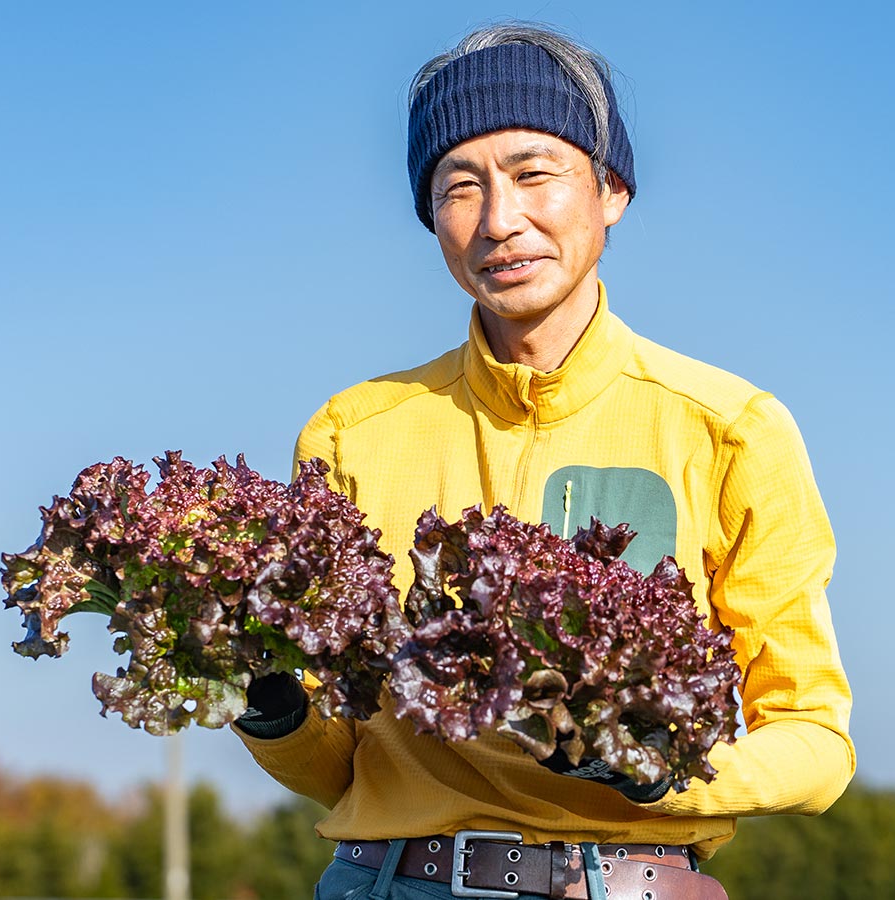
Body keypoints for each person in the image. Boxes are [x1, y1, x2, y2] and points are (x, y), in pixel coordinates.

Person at [233, 22, 853, 900]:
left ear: (612, 190)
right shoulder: (350, 435)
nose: (500, 220)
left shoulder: (729, 429)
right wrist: (271, 710)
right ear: (431, 218)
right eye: (460, 187)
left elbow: (815, 739)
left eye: (533, 173)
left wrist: (666, 772)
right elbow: (342, 769)